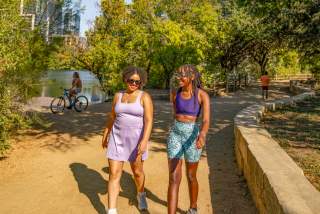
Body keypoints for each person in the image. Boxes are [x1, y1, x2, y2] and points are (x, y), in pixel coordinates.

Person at [102, 66, 153, 214]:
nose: (134, 84)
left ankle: (141, 194)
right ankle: (111, 210)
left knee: (137, 172)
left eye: (138, 82)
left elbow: (149, 121)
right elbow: (112, 116)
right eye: (131, 80)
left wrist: (144, 141)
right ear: (125, 79)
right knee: (114, 173)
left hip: (136, 141)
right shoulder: (118, 96)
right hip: (116, 139)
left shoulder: (144, 97)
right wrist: (106, 133)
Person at [167, 65, 210, 214]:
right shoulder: (174, 92)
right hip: (176, 134)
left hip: (193, 135)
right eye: (178, 74)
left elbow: (205, 121)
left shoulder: (201, 95)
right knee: (173, 177)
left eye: (182, 75)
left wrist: (202, 135)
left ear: (191, 77)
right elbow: (175, 113)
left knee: (191, 175)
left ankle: (193, 208)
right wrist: (174, 129)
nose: (179, 78)